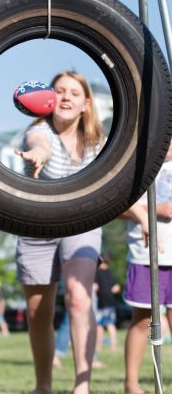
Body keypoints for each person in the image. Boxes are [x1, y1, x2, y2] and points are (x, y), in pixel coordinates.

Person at [15, 71, 105, 394]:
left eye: (74, 93)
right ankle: (43, 385)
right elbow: (38, 145)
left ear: (85, 104)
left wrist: (139, 214)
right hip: (37, 224)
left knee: (79, 298)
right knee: (39, 313)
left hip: (81, 224)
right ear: (49, 99)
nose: (66, 97)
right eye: (59, 91)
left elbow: (111, 189)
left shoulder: (99, 143)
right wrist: (39, 154)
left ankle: (82, 385)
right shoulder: (38, 131)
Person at [122, 139, 172, 394]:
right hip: (146, 254)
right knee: (143, 319)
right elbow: (118, 208)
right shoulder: (138, 169)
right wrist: (156, 209)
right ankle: (131, 383)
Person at [93, 253, 120, 355]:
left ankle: (98, 347)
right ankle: (113, 346)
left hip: (101, 302)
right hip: (111, 302)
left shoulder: (97, 272)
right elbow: (116, 288)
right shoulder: (111, 273)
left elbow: (95, 287)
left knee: (99, 325)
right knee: (110, 324)